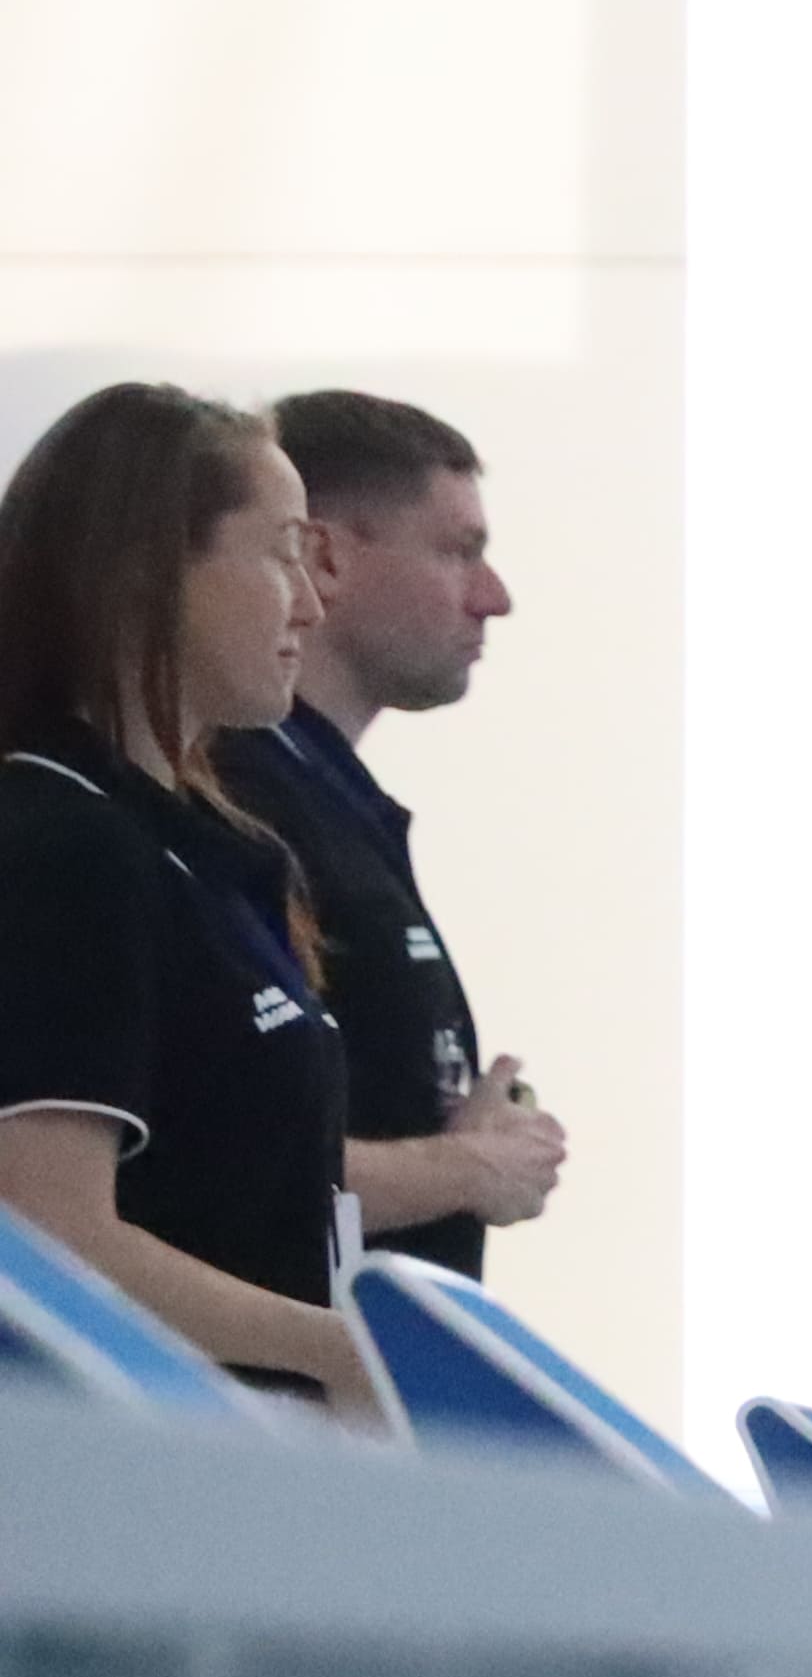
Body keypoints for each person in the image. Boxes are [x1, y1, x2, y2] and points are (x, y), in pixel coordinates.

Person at [0, 384, 365, 1406]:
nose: (311, 600)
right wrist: (343, 1352)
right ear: (148, 572)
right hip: (138, 1486)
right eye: (283, 550)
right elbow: (47, 1232)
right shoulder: (60, 844)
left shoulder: (204, 847)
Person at [228, 390, 559, 1281]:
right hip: (269, 1397)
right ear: (325, 558)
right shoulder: (235, 812)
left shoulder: (326, 802)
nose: (495, 598)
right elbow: (204, 1157)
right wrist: (464, 1169)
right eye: (459, 552)